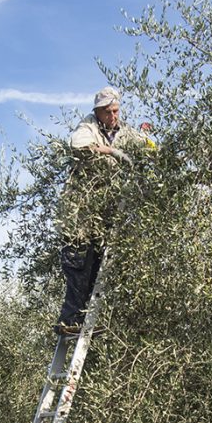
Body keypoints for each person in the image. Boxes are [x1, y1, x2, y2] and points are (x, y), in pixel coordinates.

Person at [55, 86, 152, 335]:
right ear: (98, 111)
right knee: (78, 265)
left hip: (102, 215)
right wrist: (111, 151)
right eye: (108, 112)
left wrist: (148, 140)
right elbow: (79, 147)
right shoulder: (87, 128)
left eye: (116, 111)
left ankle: (82, 321)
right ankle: (70, 322)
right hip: (79, 214)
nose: (113, 116)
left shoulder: (122, 131)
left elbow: (145, 145)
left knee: (98, 264)